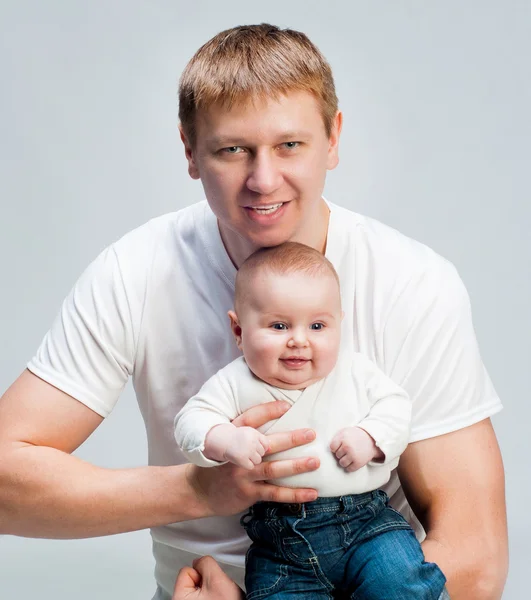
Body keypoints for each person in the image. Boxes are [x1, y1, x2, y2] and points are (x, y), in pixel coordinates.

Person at [0, 23, 507, 600]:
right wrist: (202, 489)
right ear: (190, 152)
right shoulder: (135, 272)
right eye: (232, 149)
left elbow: (477, 556)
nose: (263, 181)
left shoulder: (414, 284)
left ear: (333, 139)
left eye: (290, 145)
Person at [175, 241, 448, 599]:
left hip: (367, 524)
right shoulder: (234, 382)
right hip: (282, 544)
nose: (299, 341)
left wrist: (371, 437)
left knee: (402, 583)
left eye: (317, 325)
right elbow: (190, 422)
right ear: (239, 331)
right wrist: (226, 439)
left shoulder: (354, 371)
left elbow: (395, 406)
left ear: (339, 326)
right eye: (278, 326)